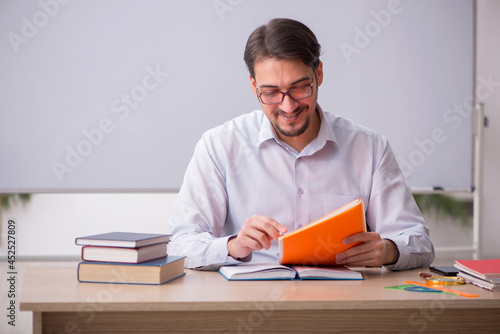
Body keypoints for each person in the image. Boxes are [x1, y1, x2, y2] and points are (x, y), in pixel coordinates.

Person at [168, 18, 434, 271]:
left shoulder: (369, 147)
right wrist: (233, 246)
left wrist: (388, 250)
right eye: (271, 93)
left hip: (339, 305)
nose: (288, 106)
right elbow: (181, 243)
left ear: (318, 74)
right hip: (247, 300)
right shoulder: (219, 146)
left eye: (299, 88)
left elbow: (418, 241)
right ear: (253, 86)